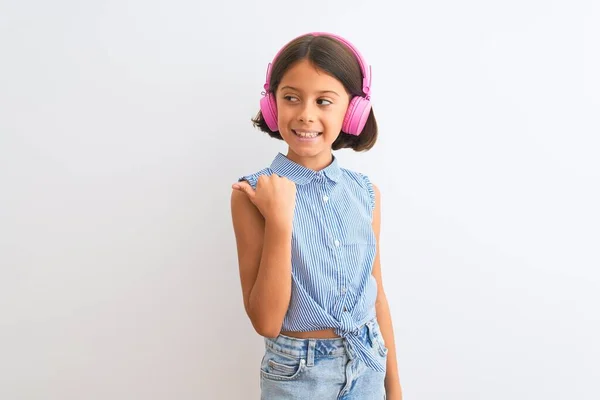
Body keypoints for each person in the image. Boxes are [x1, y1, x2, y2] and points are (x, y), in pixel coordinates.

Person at [230, 32, 402, 399]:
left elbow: (378, 297)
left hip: (369, 362)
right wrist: (279, 221)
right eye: (291, 98)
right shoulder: (251, 194)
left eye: (324, 101)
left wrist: (395, 390)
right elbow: (266, 321)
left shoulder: (366, 194)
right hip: (298, 375)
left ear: (352, 112)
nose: (306, 114)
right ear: (273, 105)